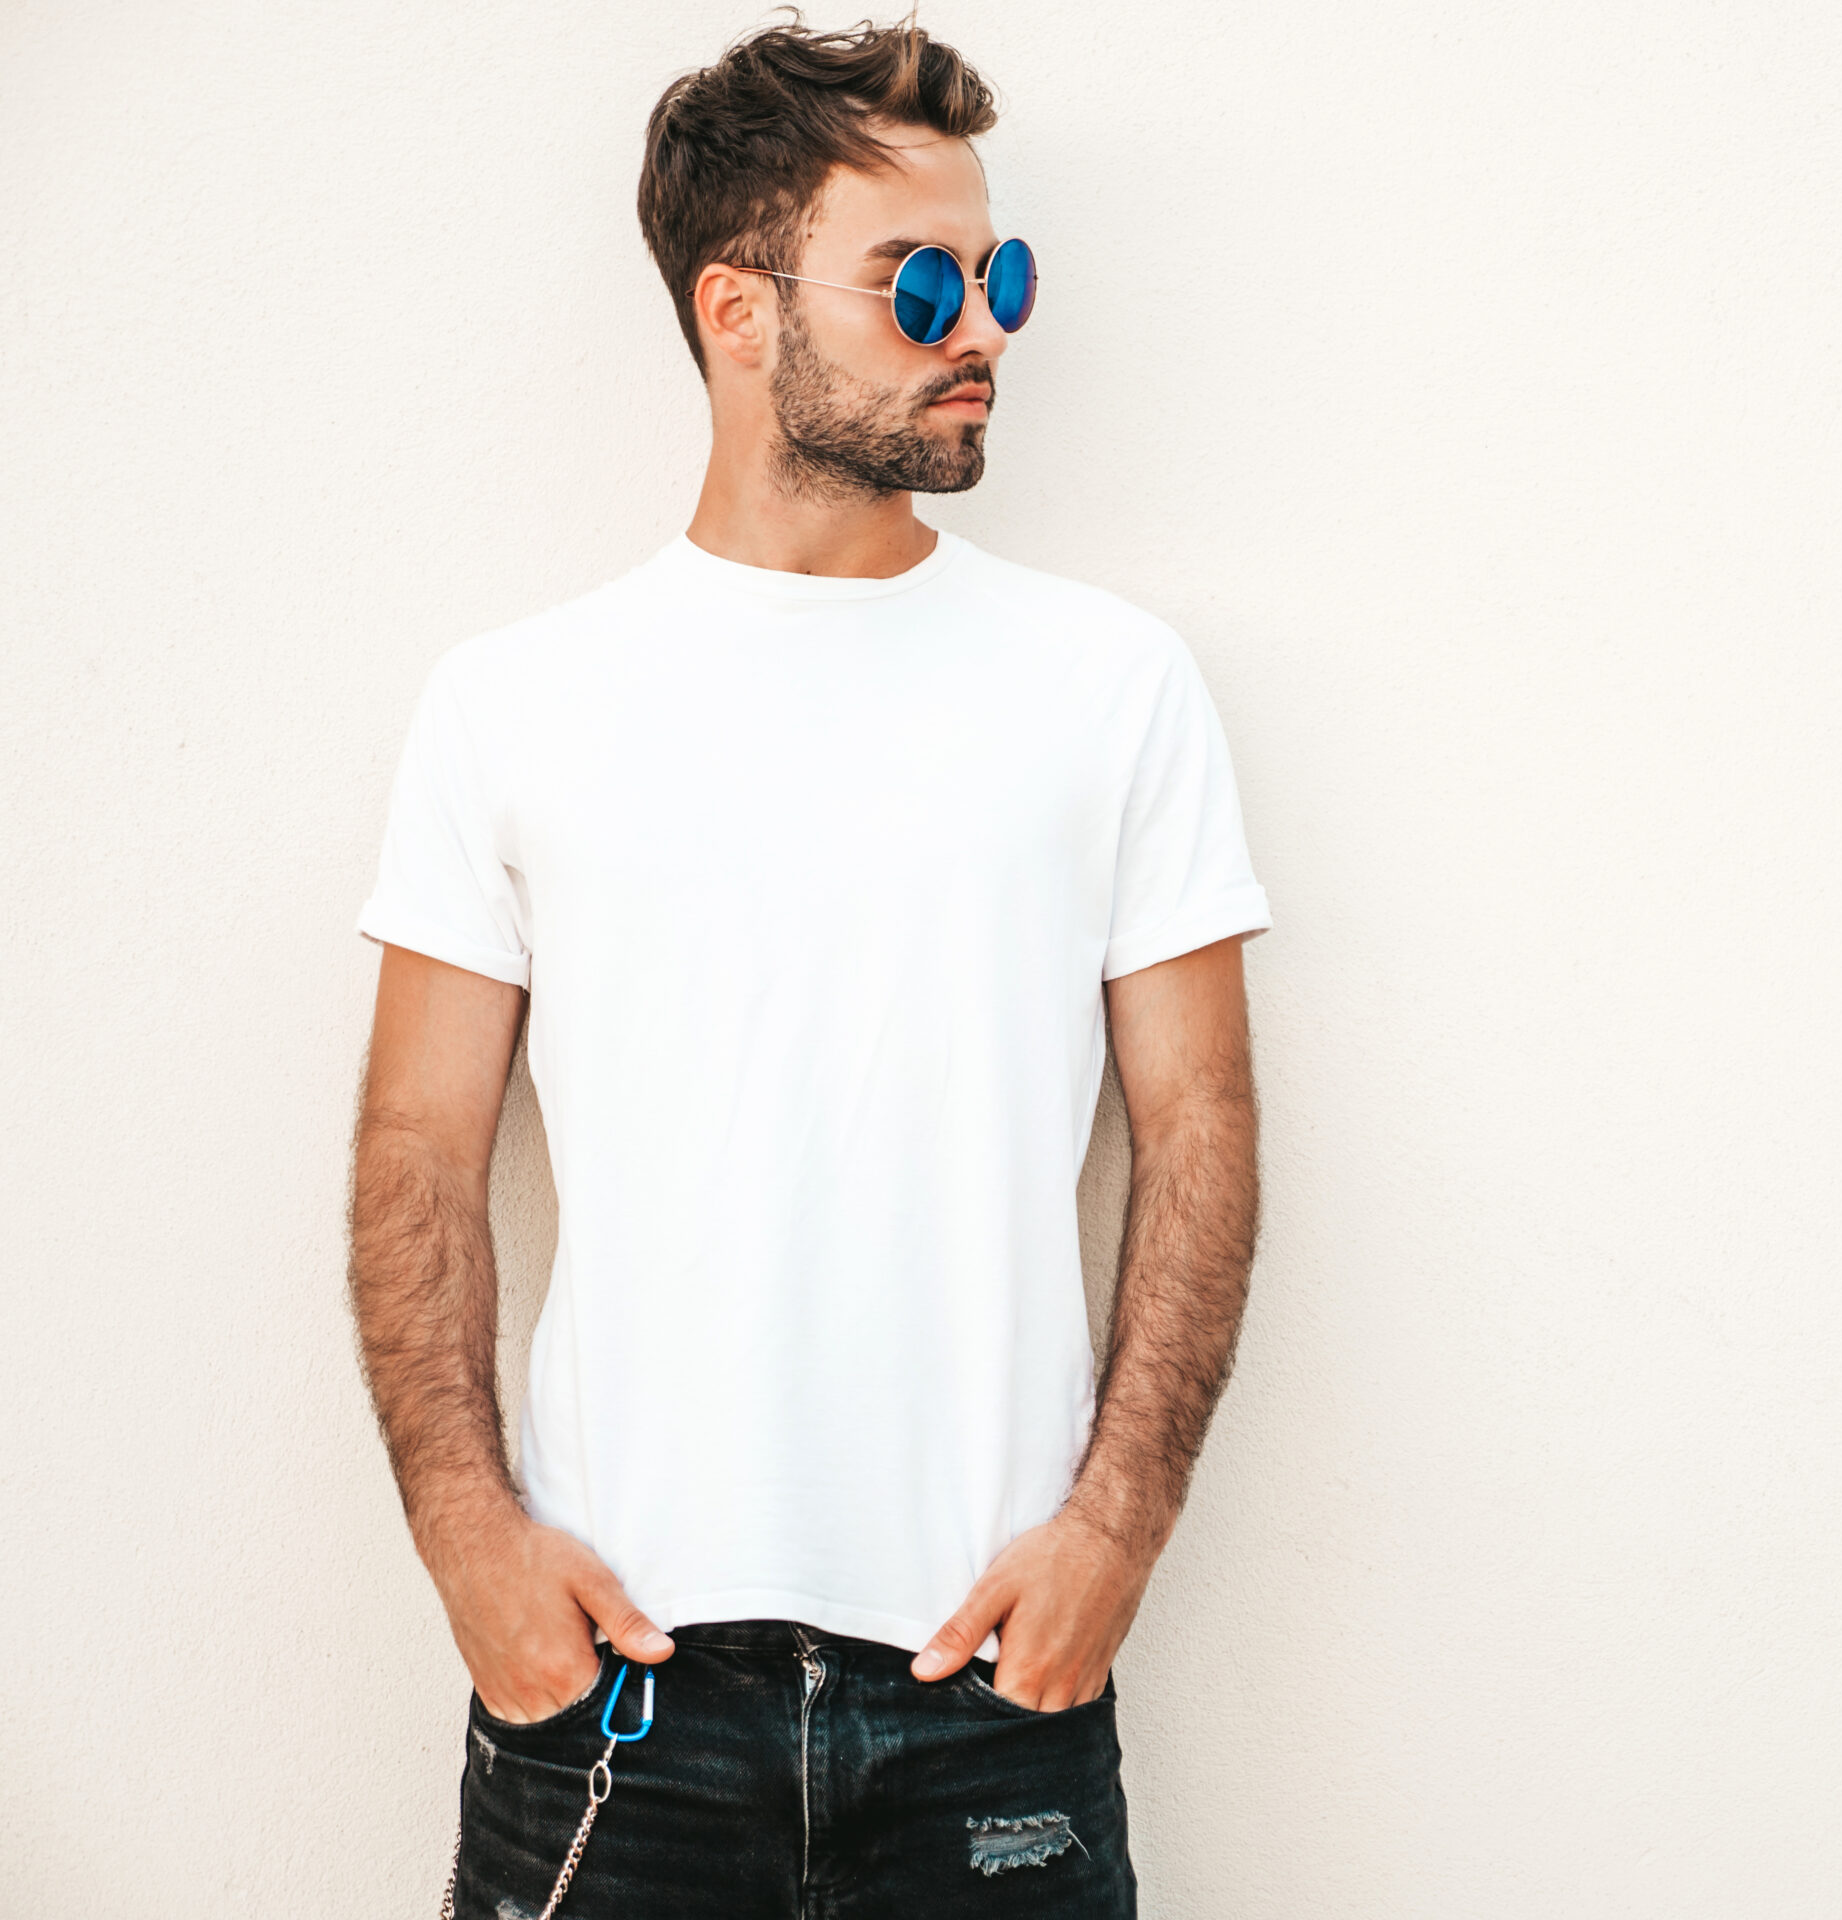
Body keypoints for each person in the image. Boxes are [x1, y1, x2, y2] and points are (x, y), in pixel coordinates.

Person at [345, 20, 1267, 1915]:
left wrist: (1116, 1533)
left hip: (988, 1683)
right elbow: (417, 1153)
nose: (984, 327)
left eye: (999, 276)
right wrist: (468, 1543)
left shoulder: (1110, 687)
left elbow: (1203, 1128)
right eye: (920, 280)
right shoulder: (514, 705)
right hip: (614, 1687)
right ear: (738, 311)